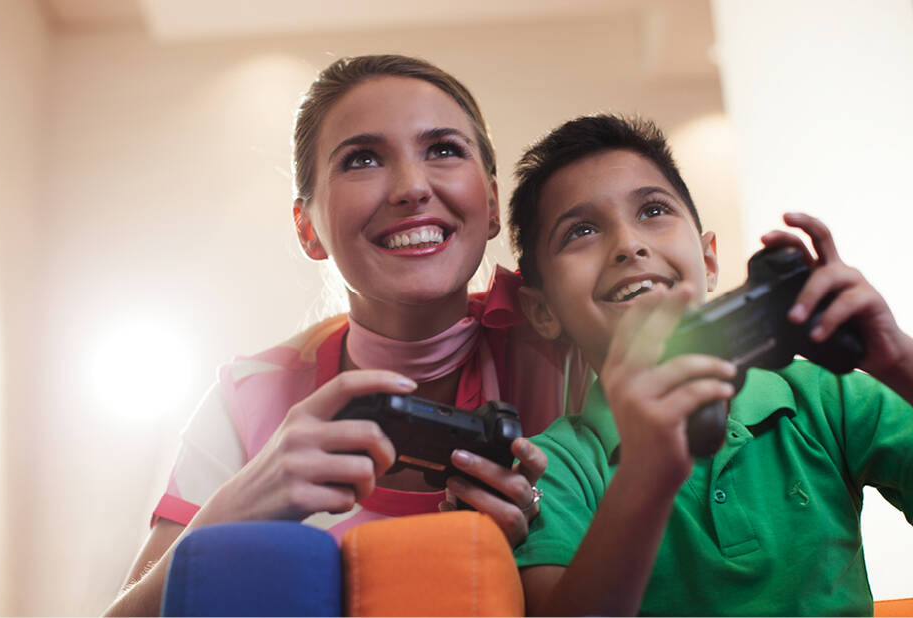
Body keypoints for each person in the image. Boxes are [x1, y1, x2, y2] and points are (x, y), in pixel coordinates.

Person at [104, 55, 585, 617]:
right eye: (361, 159)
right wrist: (230, 510)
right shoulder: (247, 400)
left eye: (444, 150)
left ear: (494, 203)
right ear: (308, 228)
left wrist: (554, 524)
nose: (411, 186)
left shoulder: (570, 350)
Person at [506, 114, 913, 616]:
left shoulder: (823, 396)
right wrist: (645, 475)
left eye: (653, 210)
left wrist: (898, 357)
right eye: (582, 230)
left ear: (711, 260)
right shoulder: (550, 470)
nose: (628, 245)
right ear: (543, 311)